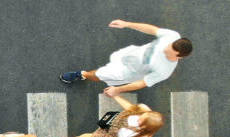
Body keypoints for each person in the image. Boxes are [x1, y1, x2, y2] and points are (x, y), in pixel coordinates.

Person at [60, 19, 191, 96]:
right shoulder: (173, 36)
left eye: (170, 50)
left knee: (98, 75)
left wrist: (118, 89)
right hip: (129, 54)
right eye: (169, 45)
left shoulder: (164, 71)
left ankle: (82, 74)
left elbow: (142, 83)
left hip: (126, 72)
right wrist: (126, 24)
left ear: (178, 56)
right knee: (113, 58)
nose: (166, 48)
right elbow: (152, 30)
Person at [42, 94, 161, 137]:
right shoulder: (143, 110)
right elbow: (131, 108)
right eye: (143, 116)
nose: (139, 118)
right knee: (95, 135)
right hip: (111, 123)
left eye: (141, 121)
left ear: (146, 128)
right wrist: (115, 96)